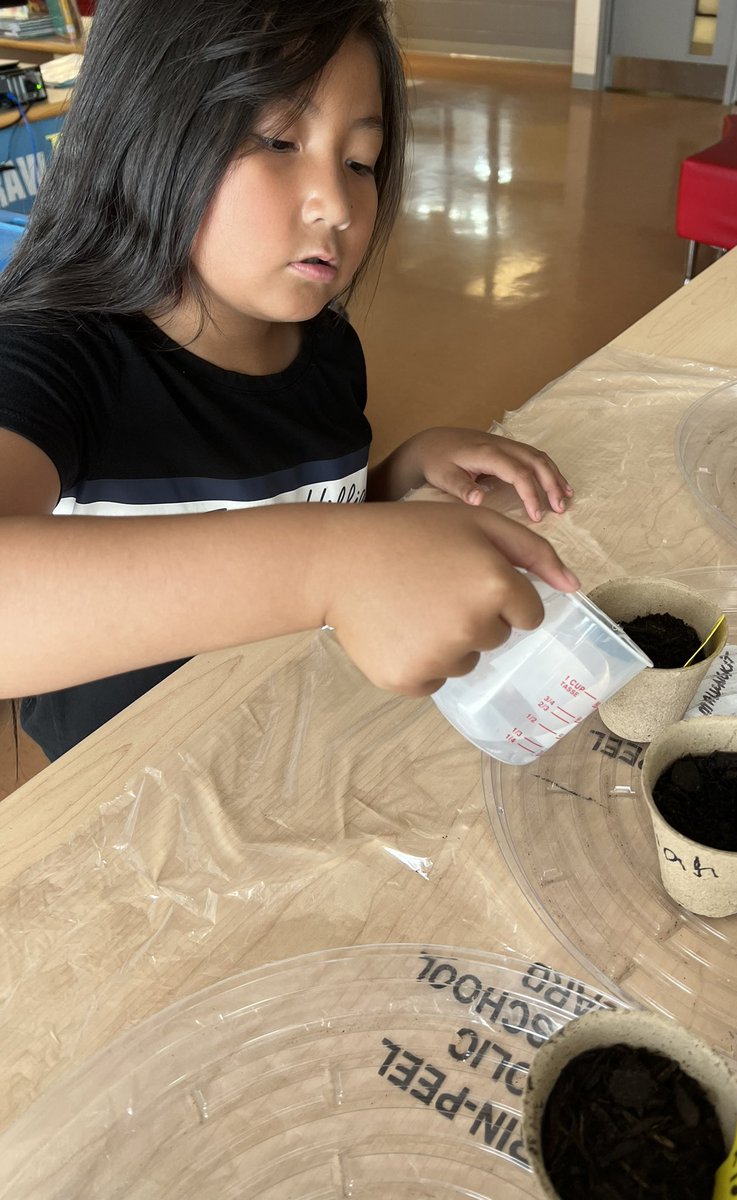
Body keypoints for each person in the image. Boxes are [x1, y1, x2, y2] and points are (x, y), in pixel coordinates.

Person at [0, 0, 579, 761]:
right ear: (142, 132)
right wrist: (332, 565)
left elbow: (306, 511)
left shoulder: (327, 349)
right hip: (131, 780)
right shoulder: (51, 355)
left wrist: (399, 476)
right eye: (278, 140)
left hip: (288, 735)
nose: (336, 204)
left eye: (360, 162)